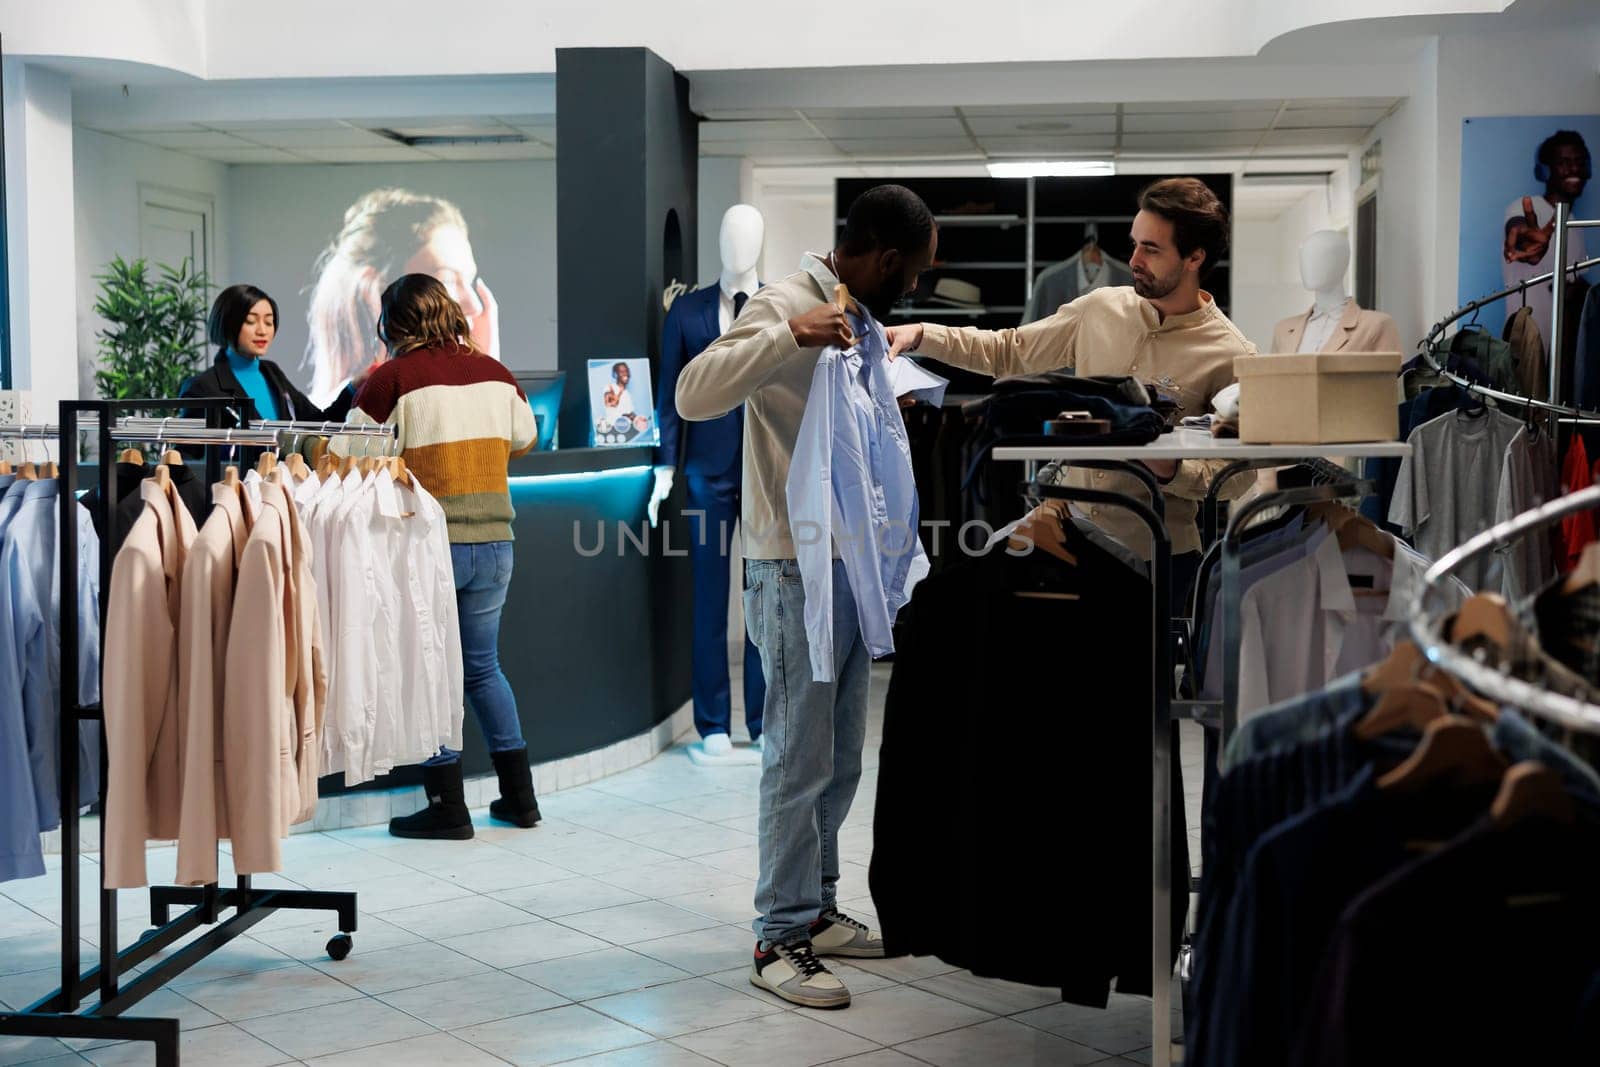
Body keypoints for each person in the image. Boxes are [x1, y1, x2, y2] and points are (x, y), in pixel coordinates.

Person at [675, 184, 938, 1010]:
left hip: (850, 567)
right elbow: (694, 392)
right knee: (795, 756)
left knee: (838, 755)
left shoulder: (857, 312)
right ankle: (778, 934)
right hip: (791, 564)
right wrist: (788, 332)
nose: (919, 290)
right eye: (917, 275)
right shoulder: (786, 303)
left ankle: (817, 909)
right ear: (887, 259)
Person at [886, 177, 1257, 606]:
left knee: (1133, 675)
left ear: (1195, 256)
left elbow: (1241, 472)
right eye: (1134, 243)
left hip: (1155, 557)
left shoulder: (1230, 352)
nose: (1133, 259)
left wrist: (1175, 471)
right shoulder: (1099, 308)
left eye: (1151, 249)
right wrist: (922, 334)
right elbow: (1009, 350)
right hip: (1064, 535)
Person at [332, 274, 539, 840]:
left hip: (432, 546)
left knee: (433, 675)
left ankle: (448, 806)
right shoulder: (497, 373)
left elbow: (346, 454)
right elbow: (525, 439)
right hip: (497, 543)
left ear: (395, 323)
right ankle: (520, 799)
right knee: (483, 667)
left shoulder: (391, 379)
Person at [305, 188, 499, 409]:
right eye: (448, 280)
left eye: (470, 280)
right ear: (376, 294)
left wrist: (484, 372)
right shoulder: (370, 403)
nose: (474, 306)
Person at [180, 284, 359, 433]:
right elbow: (189, 460)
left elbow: (317, 423)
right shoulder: (202, 388)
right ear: (228, 323)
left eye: (268, 322)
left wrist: (353, 387)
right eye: (251, 321)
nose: (262, 331)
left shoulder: (271, 372)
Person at [1502, 130, 1592, 355]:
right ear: (1545, 171)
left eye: (1579, 162)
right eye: (1563, 162)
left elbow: (1572, 287)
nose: (1574, 169)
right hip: (1527, 347)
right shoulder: (1523, 206)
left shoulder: (1573, 222)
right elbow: (1518, 229)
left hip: (1564, 349)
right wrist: (1525, 241)